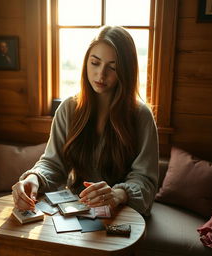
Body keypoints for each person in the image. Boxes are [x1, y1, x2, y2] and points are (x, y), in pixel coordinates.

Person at [12, 26, 159, 216]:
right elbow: (52, 163)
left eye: (112, 67)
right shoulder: (68, 109)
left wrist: (118, 194)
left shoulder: (141, 116)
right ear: (85, 63)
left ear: (126, 71)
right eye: (95, 63)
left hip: (123, 215)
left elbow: (145, 180)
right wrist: (34, 178)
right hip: (76, 211)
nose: (101, 74)